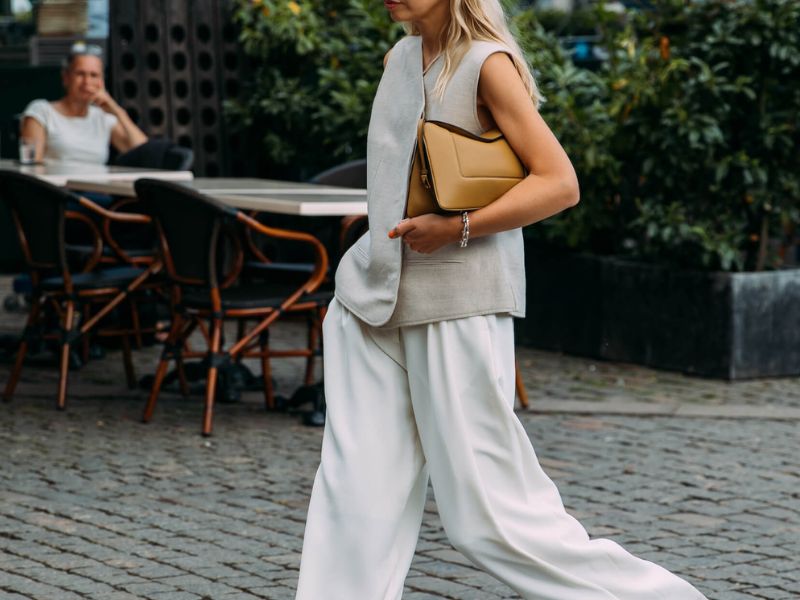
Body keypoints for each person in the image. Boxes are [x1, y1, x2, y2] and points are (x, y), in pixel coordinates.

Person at [295, 1, 709, 599]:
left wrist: (457, 227)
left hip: (455, 305)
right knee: (354, 495)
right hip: (370, 302)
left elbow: (559, 183)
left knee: (489, 517)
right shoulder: (401, 57)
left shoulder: (487, 64)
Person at [20, 42, 147, 165]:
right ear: (66, 78)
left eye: (94, 75)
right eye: (80, 74)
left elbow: (145, 153)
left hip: (97, 186)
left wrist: (118, 112)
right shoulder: (41, 111)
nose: (87, 81)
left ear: (101, 82)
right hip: (55, 186)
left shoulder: (103, 118)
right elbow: (32, 165)